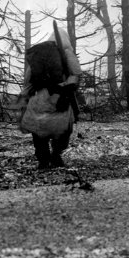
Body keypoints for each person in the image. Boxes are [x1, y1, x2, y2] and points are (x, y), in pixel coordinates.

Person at [18, 25, 82, 170]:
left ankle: (43, 160)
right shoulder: (67, 52)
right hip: (59, 96)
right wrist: (66, 89)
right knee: (63, 129)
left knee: (39, 128)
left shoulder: (40, 54)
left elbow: (28, 78)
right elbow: (76, 73)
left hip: (39, 97)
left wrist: (27, 96)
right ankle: (56, 156)